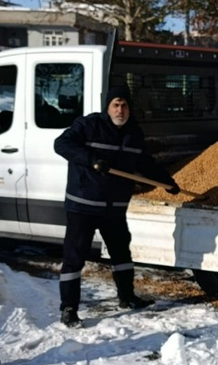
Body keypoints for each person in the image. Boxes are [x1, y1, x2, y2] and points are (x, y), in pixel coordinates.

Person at [54, 82, 180, 327]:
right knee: (74, 257)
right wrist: (92, 160)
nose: (120, 110)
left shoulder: (134, 134)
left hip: (114, 208)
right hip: (83, 206)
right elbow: (62, 145)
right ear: (108, 107)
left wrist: (167, 182)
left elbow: (145, 163)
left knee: (122, 253)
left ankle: (127, 297)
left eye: (124, 105)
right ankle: (69, 308)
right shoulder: (88, 125)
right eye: (115, 105)